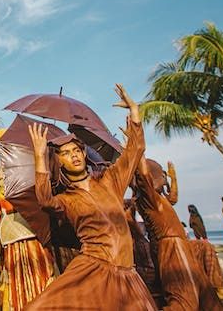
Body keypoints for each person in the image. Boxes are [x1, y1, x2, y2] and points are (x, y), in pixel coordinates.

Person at [25, 84, 156, 311]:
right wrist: (39, 157)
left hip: (127, 273)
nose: (73, 156)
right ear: (60, 162)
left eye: (76, 150)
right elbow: (45, 200)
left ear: (84, 154)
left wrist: (134, 111)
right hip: (94, 267)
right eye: (65, 154)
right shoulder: (66, 199)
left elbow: (134, 152)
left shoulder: (110, 181)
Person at [133, 158, 223, 310]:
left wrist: (174, 178)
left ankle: (219, 289)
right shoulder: (148, 199)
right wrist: (138, 150)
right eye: (162, 176)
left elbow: (173, 197)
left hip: (179, 243)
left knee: (203, 287)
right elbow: (143, 177)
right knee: (183, 295)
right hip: (171, 245)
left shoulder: (159, 199)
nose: (165, 179)